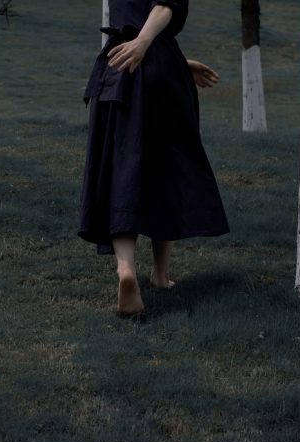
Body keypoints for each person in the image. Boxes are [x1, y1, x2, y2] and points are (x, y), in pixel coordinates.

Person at [78, 0, 230, 319]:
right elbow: (164, 6)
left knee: (121, 172)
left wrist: (170, 58)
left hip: (118, 65)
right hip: (154, 65)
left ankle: (126, 269)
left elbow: (132, 18)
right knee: (166, 168)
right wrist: (146, 45)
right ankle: (160, 275)